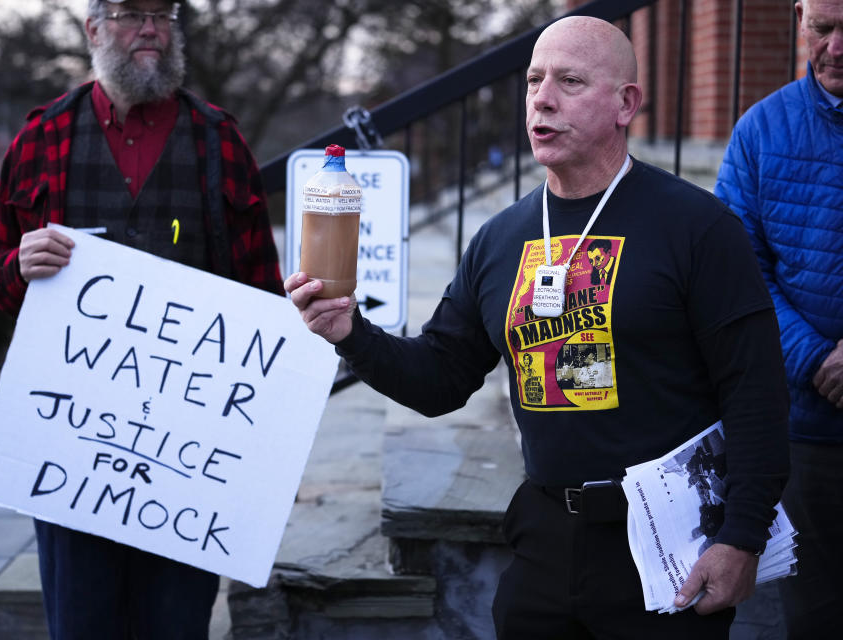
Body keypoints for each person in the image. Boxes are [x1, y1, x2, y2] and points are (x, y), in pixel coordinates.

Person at [287, 15, 789, 639]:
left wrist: (742, 537)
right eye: (533, 80)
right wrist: (351, 335)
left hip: (667, 548)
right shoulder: (501, 239)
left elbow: (757, 392)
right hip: (544, 541)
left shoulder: (697, 227)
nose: (543, 98)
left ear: (626, 103)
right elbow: (441, 378)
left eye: (570, 81)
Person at [0, 0, 283, 637]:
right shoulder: (42, 137)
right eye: (127, 11)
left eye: (162, 12)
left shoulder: (219, 139)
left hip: (189, 462)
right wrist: (18, 265)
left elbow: (263, 297)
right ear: (92, 30)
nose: (149, 27)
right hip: (70, 456)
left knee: (176, 626)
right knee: (83, 625)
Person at [714, 0, 843, 635]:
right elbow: (737, 276)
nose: (838, 47)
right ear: (799, 21)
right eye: (824, 28)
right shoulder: (761, 131)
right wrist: (816, 357)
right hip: (810, 428)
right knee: (817, 616)